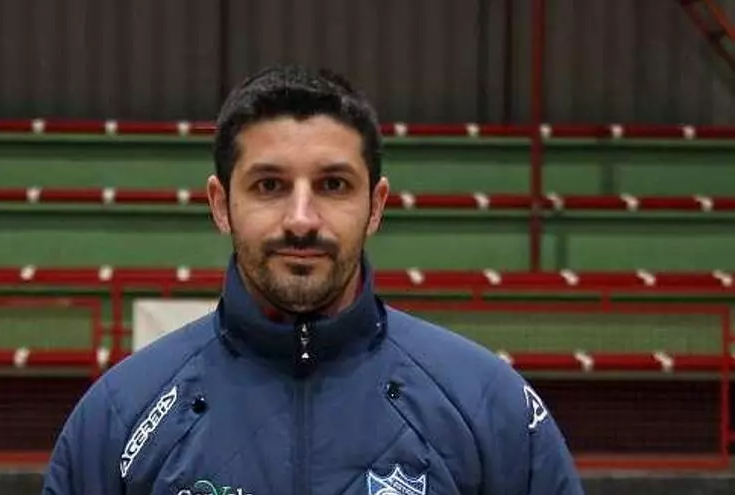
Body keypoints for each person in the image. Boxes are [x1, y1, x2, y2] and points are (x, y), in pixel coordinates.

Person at [42, 64, 584, 495]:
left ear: (375, 206)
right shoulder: (118, 415)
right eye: (269, 185)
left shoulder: (489, 405)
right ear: (221, 204)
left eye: (333, 185)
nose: (301, 219)